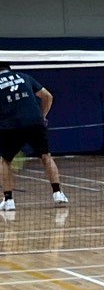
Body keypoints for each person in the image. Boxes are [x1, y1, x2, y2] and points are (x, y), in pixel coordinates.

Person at [0, 63, 68, 211]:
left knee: (5, 161)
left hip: (11, 125)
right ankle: (58, 193)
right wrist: (42, 116)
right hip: (35, 122)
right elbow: (48, 96)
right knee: (46, 156)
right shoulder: (24, 77)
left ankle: (9, 200)